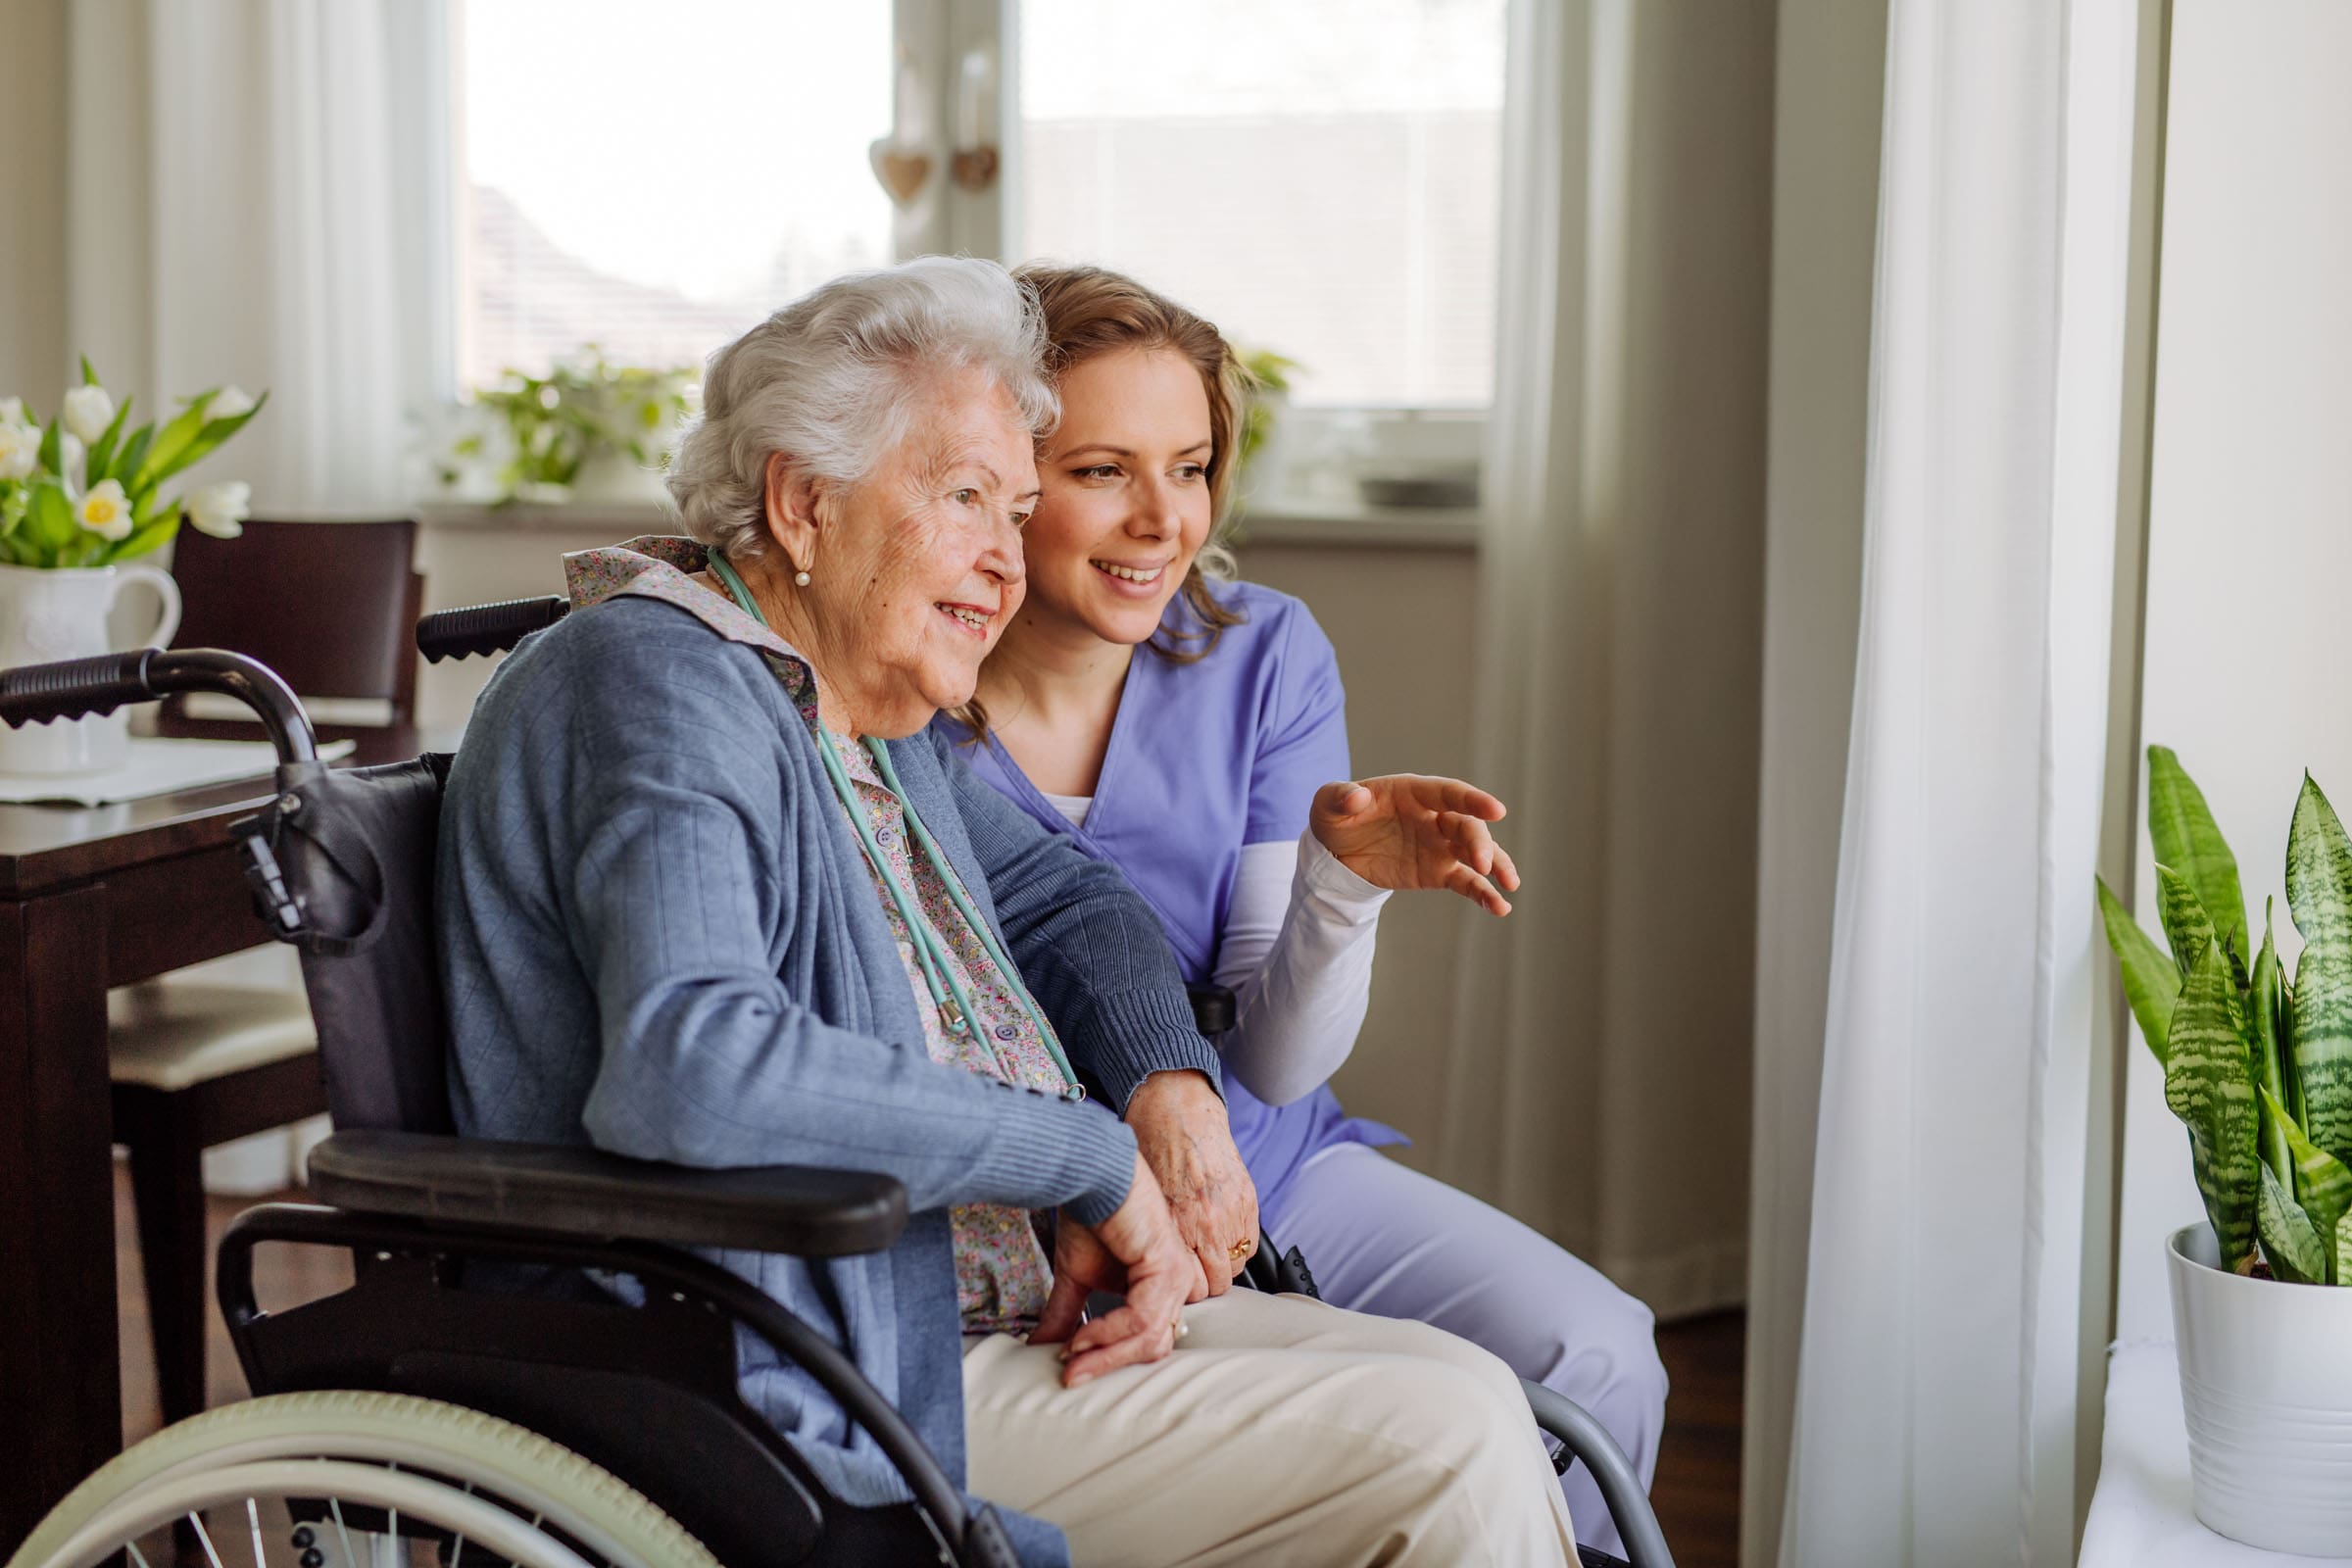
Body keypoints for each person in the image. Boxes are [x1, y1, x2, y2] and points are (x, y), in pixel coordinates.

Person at [438, 257, 1577, 1567]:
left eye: (1020, 504)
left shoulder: (855, 704)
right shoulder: (663, 683)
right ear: (805, 504)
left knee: (1484, 1400)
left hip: (949, 1315)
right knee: (1445, 1448)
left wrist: (1162, 1082)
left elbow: (1064, 894)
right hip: (786, 1371)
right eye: (968, 498)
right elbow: (691, 1072)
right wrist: (1086, 1158)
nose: (1004, 559)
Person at [939, 262, 1668, 1556]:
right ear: (998, 470)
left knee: (1600, 1352)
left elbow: (1274, 1058)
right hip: (1044, 1222)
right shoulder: (907, 681)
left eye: (1193, 464)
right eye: (1104, 469)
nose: (1164, 519)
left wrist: (1343, 888)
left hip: (1269, 1167)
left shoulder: (1259, 652)